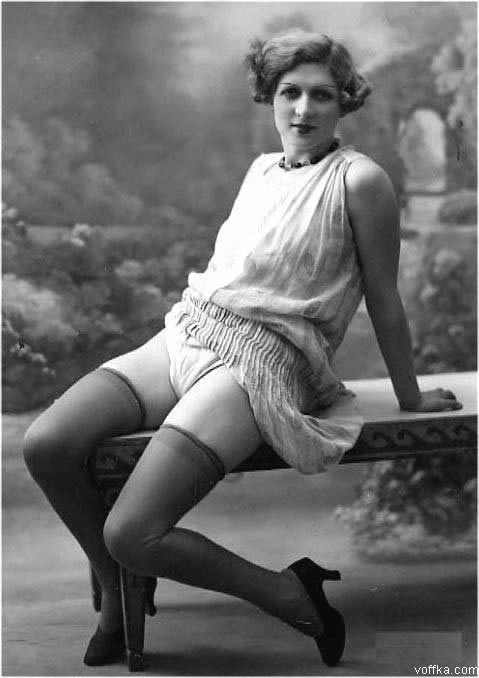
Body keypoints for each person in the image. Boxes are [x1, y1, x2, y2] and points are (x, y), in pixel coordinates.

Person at [23, 30, 462, 669]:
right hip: (191, 330)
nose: (303, 110)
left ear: (344, 102)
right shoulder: (260, 170)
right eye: (290, 93)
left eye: (321, 95)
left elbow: (385, 298)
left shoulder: (361, 180)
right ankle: (116, 588)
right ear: (270, 97)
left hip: (264, 361)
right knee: (46, 444)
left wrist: (410, 395)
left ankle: (288, 592)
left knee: (132, 531)